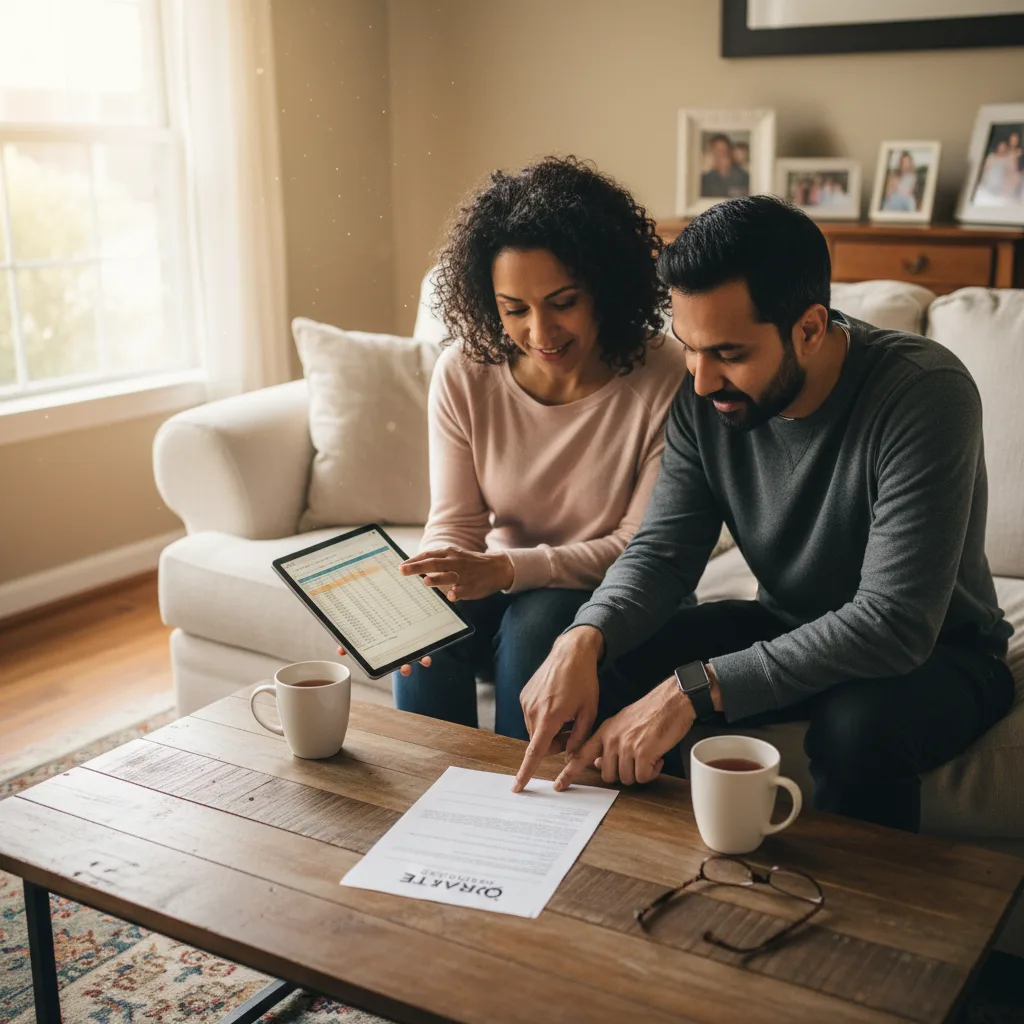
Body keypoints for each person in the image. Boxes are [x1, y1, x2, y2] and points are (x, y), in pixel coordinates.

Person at [513, 195, 1014, 833]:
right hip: (786, 624)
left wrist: (694, 689)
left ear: (808, 328)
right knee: (602, 662)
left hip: (940, 654)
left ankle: (863, 928)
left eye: (728, 353)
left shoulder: (923, 394)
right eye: (688, 348)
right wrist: (582, 639)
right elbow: (663, 553)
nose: (700, 380)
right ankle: (631, 881)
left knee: (855, 730)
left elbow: (894, 623)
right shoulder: (703, 397)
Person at [379, 156, 688, 741]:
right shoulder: (465, 372)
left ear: (605, 285)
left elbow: (638, 545)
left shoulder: (664, 375)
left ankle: (521, 816)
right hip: (506, 573)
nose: (541, 335)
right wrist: (420, 588)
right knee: (421, 629)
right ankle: (431, 805)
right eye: (515, 310)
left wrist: (504, 569)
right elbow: (455, 523)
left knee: (537, 624)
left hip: (615, 591)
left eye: (563, 302)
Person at [701, 134, 750, 198]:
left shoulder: (744, 177)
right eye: (718, 151)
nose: (723, 154)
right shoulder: (704, 180)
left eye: (725, 150)